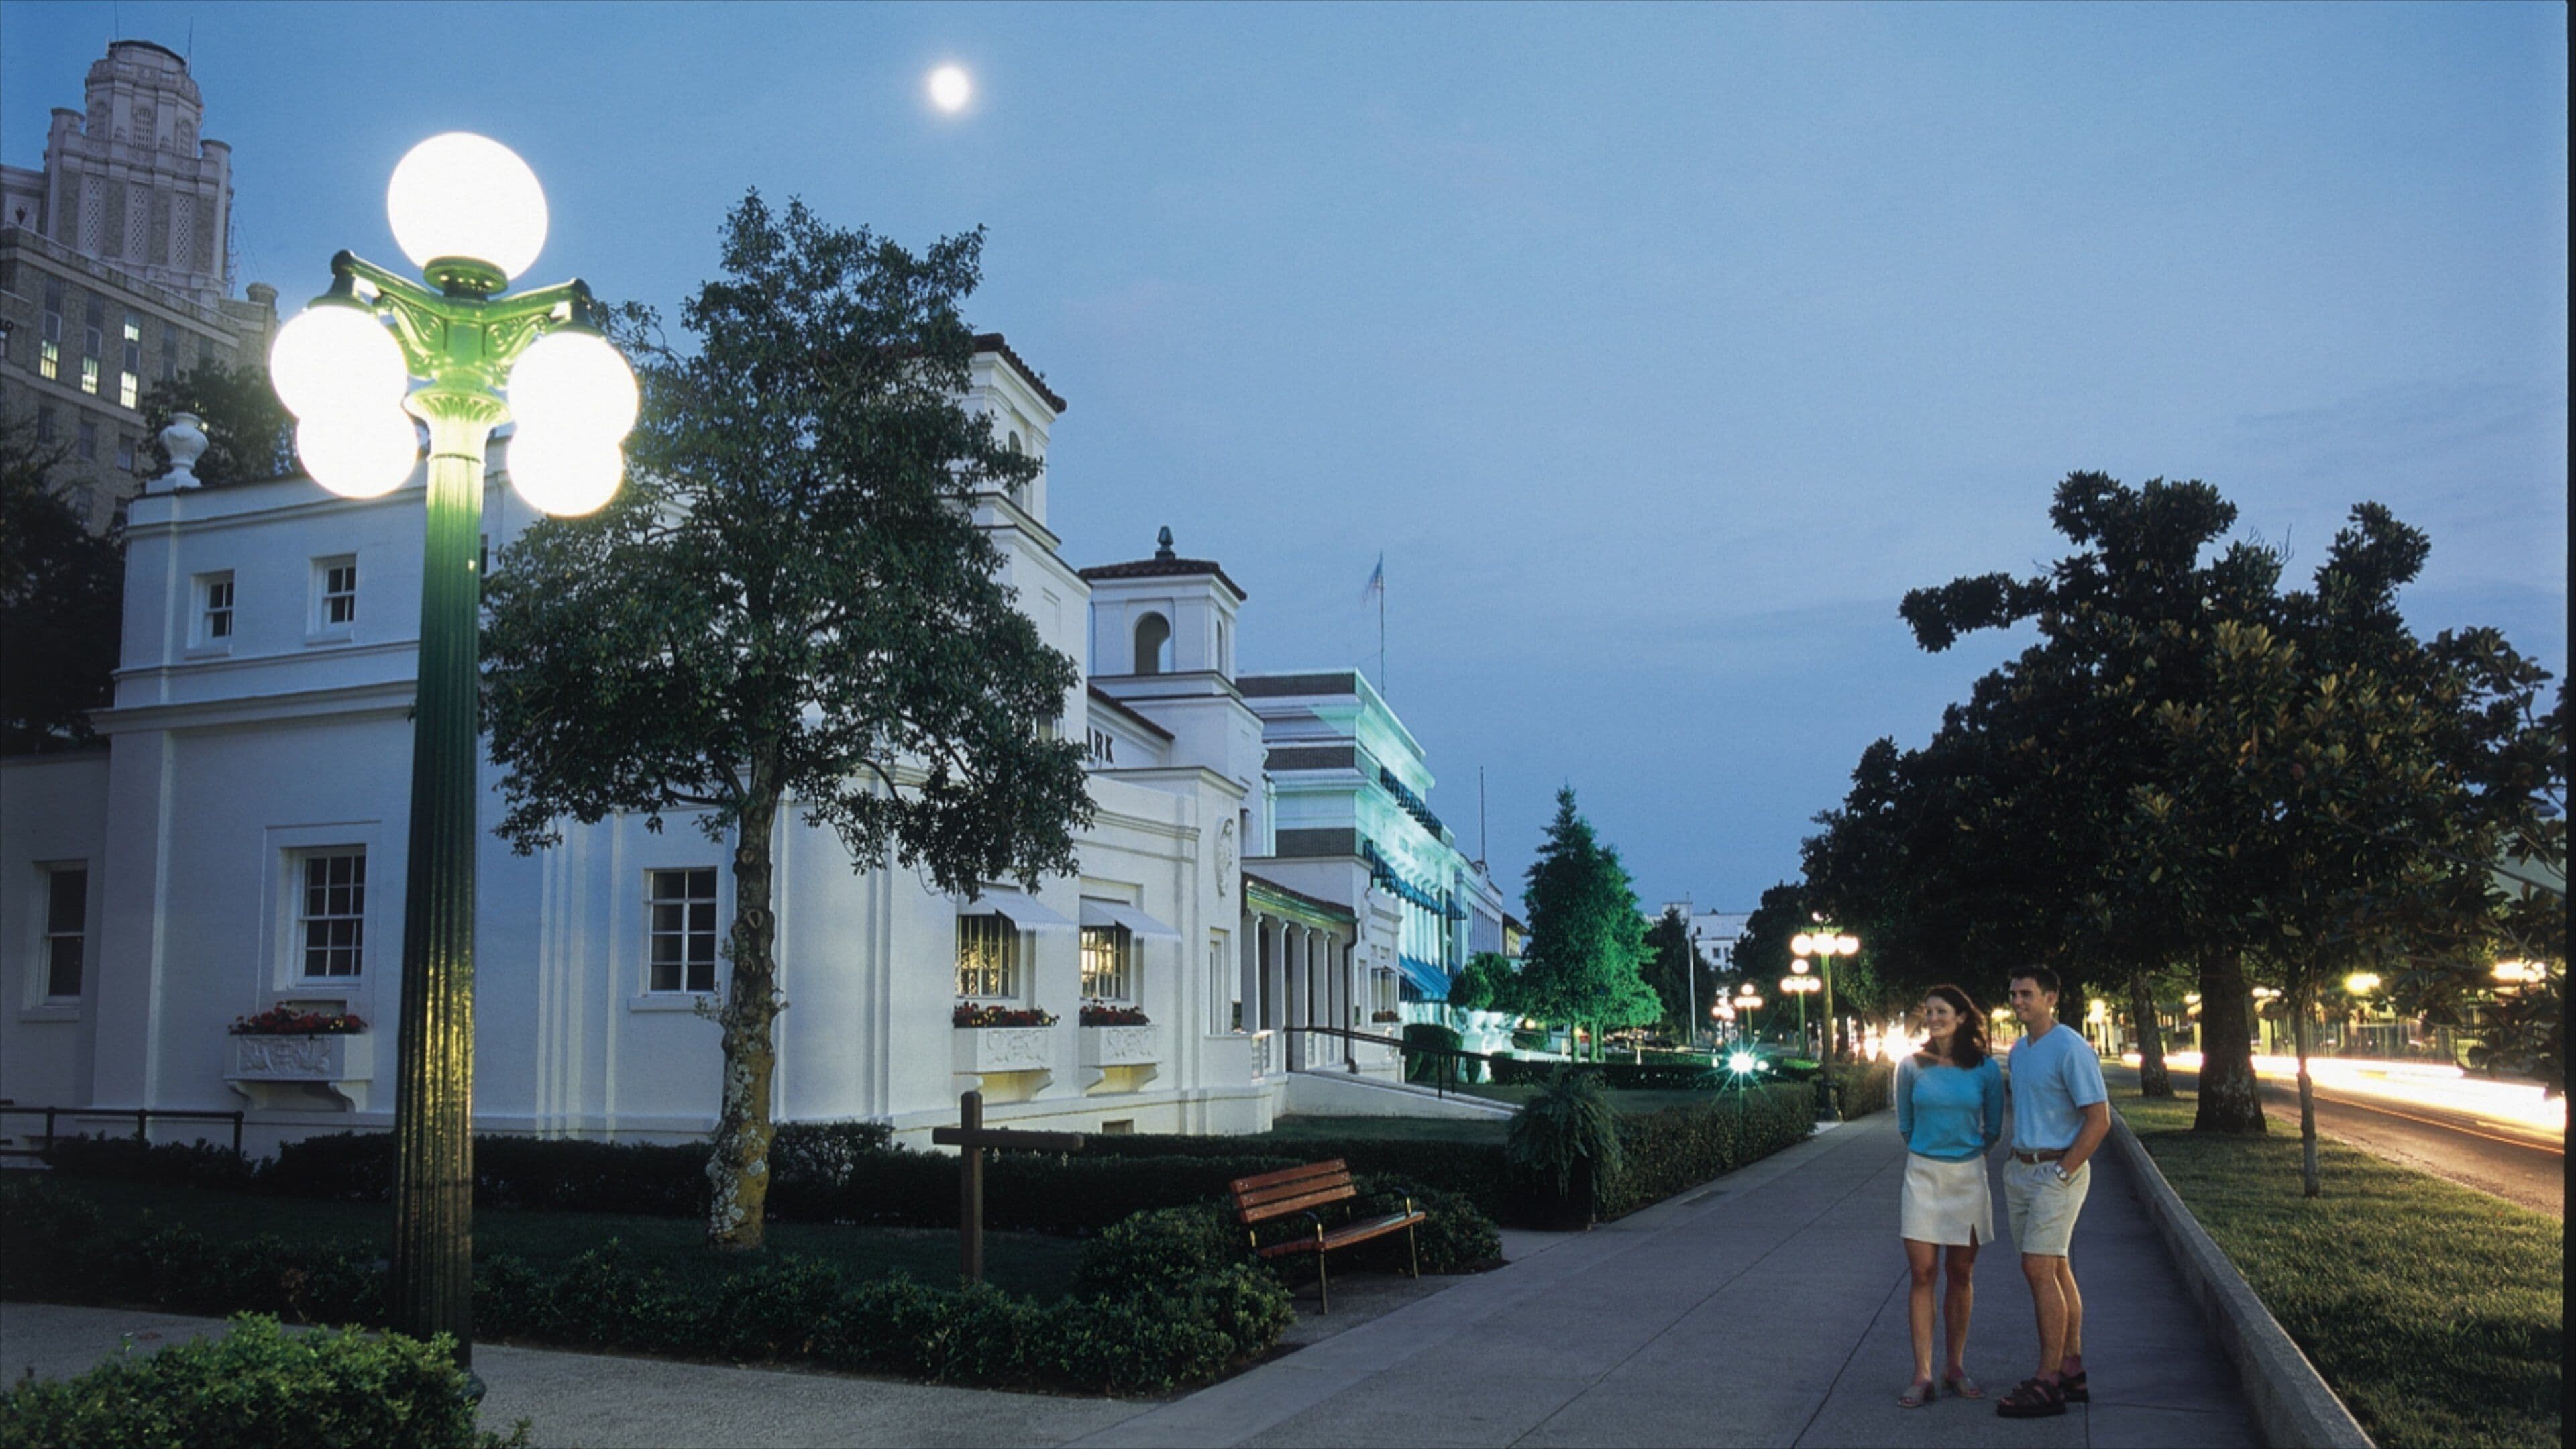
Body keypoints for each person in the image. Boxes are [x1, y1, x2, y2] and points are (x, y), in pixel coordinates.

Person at [1994, 965, 2110, 1419]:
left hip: (2057, 1171)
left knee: (2038, 1269)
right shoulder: (2021, 1050)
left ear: (2051, 998)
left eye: (2027, 994)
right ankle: (2072, 1370)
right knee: (2056, 1268)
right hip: (2022, 1169)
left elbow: (2099, 1119)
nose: (2018, 1001)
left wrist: (2063, 1172)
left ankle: (2046, 1383)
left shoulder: (2071, 1048)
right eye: (2013, 993)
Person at [1894, 984, 2005, 1408]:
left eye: (1942, 1011)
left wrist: (1964, 1155)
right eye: (1928, 1011)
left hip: (1968, 1177)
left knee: (1961, 1274)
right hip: (1922, 1175)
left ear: (1961, 1017)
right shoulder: (1910, 1066)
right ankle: (1922, 1373)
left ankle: (1954, 1365)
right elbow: (1905, 1124)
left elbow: (1992, 1128)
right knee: (1922, 1273)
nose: (1933, 1018)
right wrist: (1930, 1150)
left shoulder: (1985, 1070)